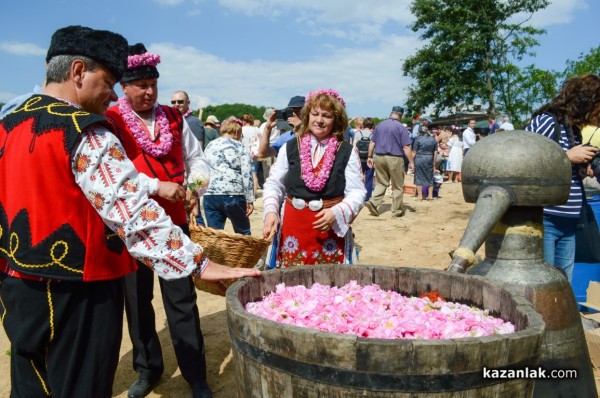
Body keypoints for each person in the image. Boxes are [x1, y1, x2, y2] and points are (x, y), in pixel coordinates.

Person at [0, 25, 259, 398]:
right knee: (81, 385)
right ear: (77, 72)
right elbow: (131, 210)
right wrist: (200, 264)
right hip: (80, 289)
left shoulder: (9, 121)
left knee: (32, 383)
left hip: (19, 284)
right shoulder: (85, 130)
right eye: (107, 81)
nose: (110, 94)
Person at [105, 43, 216, 398]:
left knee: (181, 299)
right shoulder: (112, 120)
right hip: (133, 225)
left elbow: (197, 159)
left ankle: (195, 375)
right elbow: (113, 174)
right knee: (137, 303)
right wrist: (157, 187)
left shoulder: (173, 117)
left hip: (175, 224)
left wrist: (194, 186)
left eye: (153, 83)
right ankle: (148, 368)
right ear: (125, 86)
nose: (149, 91)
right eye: (141, 85)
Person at [262, 89, 365, 268]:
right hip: (293, 226)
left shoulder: (347, 151)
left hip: (329, 228)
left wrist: (337, 211)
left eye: (326, 116)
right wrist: (271, 210)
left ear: (336, 120)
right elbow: (274, 183)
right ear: (307, 116)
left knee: (329, 286)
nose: (319, 120)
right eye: (315, 114)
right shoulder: (290, 147)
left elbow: (357, 191)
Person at [525, 74, 600, 281]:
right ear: (586, 101)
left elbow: (559, 168)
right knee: (544, 283)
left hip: (570, 220)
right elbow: (523, 160)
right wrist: (567, 156)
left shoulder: (573, 130)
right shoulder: (547, 121)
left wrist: (580, 169)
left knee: (562, 284)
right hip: (545, 218)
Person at [203, 119, 254, 234]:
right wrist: (250, 199)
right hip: (234, 193)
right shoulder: (240, 146)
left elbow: (203, 168)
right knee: (243, 232)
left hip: (210, 194)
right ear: (236, 132)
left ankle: (216, 253)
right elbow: (246, 174)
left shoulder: (210, 145)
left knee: (214, 235)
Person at [364, 106, 414, 218]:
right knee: (398, 186)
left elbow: (372, 143)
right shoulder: (401, 127)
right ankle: (396, 211)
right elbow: (406, 147)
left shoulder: (380, 125)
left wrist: (369, 156)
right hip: (395, 158)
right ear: (401, 116)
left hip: (379, 157)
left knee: (381, 183)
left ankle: (373, 202)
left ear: (391, 113)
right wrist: (411, 162)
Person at [412, 125, 438, 200]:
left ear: (420, 131)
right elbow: (435, 152)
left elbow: (414, 151)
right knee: (430, 177)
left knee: (418, 177)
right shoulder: (433, 139)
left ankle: (420, 196)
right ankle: (430, 196)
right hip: (429, 158)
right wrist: (434, 162)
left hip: (419, 158)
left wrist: (411, 161)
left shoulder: (418, 139)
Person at [353, 117, 375, 200]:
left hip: (358, 159)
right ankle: (367, 197)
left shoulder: (358, 133)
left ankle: (357, 195)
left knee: (358, 178)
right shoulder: (373, 134)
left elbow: (354, 147)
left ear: (363, 124)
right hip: (369, 159)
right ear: (372, 125)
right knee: (369, 179)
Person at [241, 114, 261, 194]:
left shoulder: (241, 129)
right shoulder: (256, 129)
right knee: (254, 174)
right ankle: (254, 193)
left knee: (243, 173)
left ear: (244, 121)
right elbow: (261, 140)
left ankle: (245, 193)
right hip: (254, 153)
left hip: (243, 153)